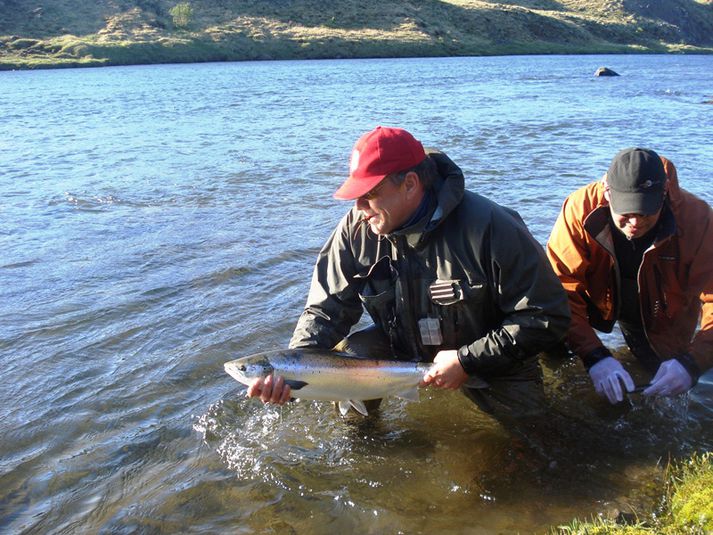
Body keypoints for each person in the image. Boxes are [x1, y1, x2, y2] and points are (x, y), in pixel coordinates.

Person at [247, 125, 570, 423]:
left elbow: (546, 316)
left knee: (534, 439)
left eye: (369, 194)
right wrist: (292, 370)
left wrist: (468, 361)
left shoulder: (492, 227)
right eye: (356, 196)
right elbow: (325, 310)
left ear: (411, 184)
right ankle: (365, 442)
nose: (359, 207)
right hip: (399, 346)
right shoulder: (356, 229)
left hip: (487, 354)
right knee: (353, 356)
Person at [547, 147, 713, 405]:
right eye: (626, 211)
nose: (635, 222)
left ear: (665, 192)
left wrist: (692, 363)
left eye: (646, 211)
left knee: (661, 385)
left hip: (658, 306)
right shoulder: (580, 209)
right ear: (607, 191)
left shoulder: (698, 219)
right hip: (598, 294)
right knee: (549, 336)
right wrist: (594, 355)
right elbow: (560, 288)